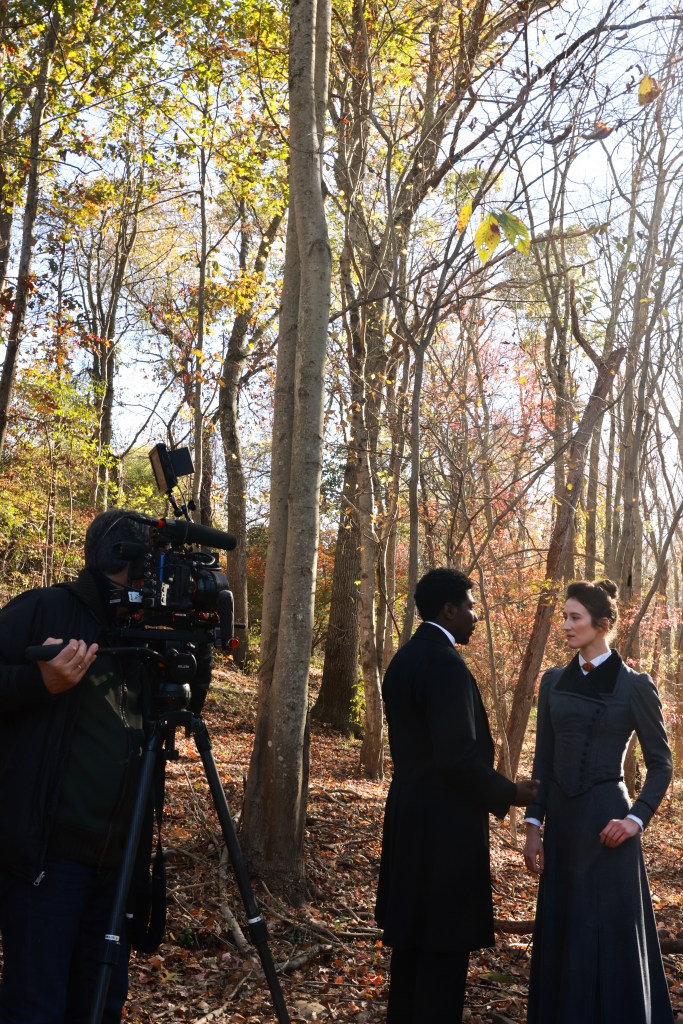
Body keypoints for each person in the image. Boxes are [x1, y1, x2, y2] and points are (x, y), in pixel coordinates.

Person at [0, 508, 181, 1024]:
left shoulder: (146, 637)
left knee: (100, 1006)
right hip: (47, 861)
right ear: (120, 559)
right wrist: (36, 683)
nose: (153, 581)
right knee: (36, 1006)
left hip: (118, 866)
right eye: (146, 566)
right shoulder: (46, 609)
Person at [375, 567, 538, 1024]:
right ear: (448, 610)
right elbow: (457, 758)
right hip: (443, 825)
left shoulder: (404, 659)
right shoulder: (444, 664)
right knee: (443, 945)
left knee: (411, 942)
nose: (474, 616)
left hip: (408, 812)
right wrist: (510, 792)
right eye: (469, 606)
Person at [523, 579, 674, 1024]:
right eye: (564, 617)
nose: (566, 626)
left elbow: (662, 765)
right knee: (565, 930)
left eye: (575, 618)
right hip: (563, 825)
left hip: (609, 825)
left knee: (608, 932)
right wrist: (532, 826)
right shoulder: (552, 681)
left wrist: (635, 819)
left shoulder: (635, 685)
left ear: (602, 623)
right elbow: (544, 760)